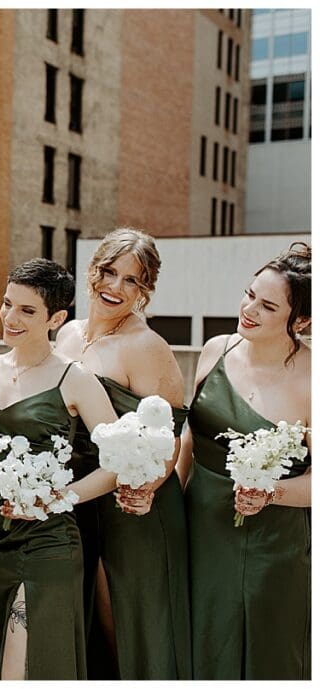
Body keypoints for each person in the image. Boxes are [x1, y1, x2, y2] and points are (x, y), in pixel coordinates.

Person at [0, 258, 119, 680]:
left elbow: (117, 465)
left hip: (47, 540)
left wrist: (58, 498)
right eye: (6, 304)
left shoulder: (76, 379)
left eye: (27, 310)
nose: (10, 317)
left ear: (56, 318)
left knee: (25, 663)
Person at [55, 228, 190, 679]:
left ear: (144, 291)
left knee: (128, 622)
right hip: (80, 499)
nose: (114, 287)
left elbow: (169, 436)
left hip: (134, 506)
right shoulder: (68, 334)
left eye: (131, 281)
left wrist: (148, 487)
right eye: (108, 272)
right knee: (84, 615)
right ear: (92, 270)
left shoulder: (146, 346)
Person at [179, 243, 310, 680]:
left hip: (273, 544)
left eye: (267, 306)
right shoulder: (216, 348)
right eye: (249, 294)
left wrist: (270, 491)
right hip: (200, 527)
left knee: (268, 650)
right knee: (201, 640)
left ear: (302, 321)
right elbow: (189, 440)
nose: (248, 309)